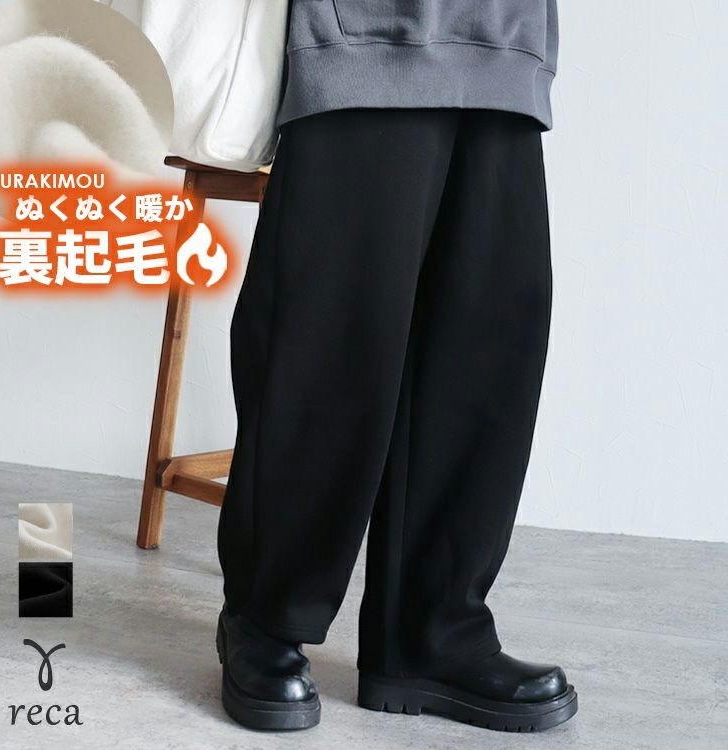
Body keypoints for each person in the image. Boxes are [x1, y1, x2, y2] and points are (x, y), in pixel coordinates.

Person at [216, 0, 578, 733]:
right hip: (363, 38)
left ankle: (431, 632)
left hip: (505, 45)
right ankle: (264, 617)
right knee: (328, 345)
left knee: (483, 348)